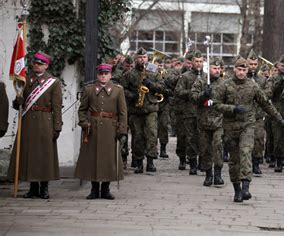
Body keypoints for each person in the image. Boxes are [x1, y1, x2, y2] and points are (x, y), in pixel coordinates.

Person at [215, 57, 284, 202]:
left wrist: (279, 118)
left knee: (246, 151)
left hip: (248, 125)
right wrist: (233, 109)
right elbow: (216, 104)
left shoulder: (253, 86)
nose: (241, 72)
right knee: (234, 160)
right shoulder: (225, 85)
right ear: (234, 69)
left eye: (244, 70)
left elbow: (265, 104)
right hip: (230, 127)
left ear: (247, 70)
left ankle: (246, 187)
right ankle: (237, 189)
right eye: (239, 69)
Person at [8, 52, 62, 199]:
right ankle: (33, 188)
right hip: (28, 122)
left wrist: (57, 126)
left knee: (45, 155)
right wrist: (17, 102)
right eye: (35, 63)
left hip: (45, 121)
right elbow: (19, 103)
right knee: (30, 154)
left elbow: (57, 106)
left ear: (46, 65)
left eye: (40, 63)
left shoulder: (53, 82)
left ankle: (44, 188)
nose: (36, 65)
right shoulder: (25, 80)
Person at [74, 64, 127, 200]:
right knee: (93, 158)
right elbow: (82, 109)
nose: (103, 76)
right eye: (101, 73)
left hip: (111, 128)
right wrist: (84, 123)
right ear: (97, 75)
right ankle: (94, 188)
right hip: (93, 127)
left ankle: (105, 189)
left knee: (108, 158)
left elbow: (122, 112)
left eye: (106, 73)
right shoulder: (89, 89)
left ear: (110, 75)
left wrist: (121, 129)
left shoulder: (117, 90)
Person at [120, 47, 166, 173]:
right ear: (136, 59)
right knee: (137, 136)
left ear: (148, 58)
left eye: (144, 57)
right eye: (140, 58)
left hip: (151, 108)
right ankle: (139, 161)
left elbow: (162, 87)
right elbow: (122, 89)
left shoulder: (154, 72)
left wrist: (150, 84)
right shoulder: (129, 74)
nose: (142, 60)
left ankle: (150, 161)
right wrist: (132, 95)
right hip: (136, 109)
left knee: (152, 134)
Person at [190, 56, 225, 186]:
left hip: (219, 121)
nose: (217, 70)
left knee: (218, 146)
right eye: (214, 68)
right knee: (205, 149)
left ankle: (218, 174)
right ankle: (208, 174)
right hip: (204, 121)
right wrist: (203, 95)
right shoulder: (201, 82)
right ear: (208, 68)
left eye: (218, 68)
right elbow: (193, 97)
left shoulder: (224, 83)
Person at [175, 51, 203, 175]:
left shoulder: (206, 76)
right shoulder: (185, 76)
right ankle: (192, 163)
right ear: (192, 62)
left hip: (203, 112)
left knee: (202, 138)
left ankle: (203, 162)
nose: (198, 64)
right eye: (196, 61)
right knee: (190, 138)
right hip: (189, 111)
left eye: (201, 61)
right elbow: (178, 92)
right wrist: (191, 93)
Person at [264, 55, 284, 172]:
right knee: (278, 139)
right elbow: (269, 94)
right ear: (278, 66)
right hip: (277, 112)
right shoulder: (273, 78)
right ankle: (279, 161)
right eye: (282, 66)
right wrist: (279, 83)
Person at [246, 49, 266, 175]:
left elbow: (268, 94)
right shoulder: (242, 77)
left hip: (258, 115)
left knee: (258, 139)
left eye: (255, 64)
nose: (253, 67)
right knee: (246, 141)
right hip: (245, 115)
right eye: (250, 64)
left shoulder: (262, 80)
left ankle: (256, 163)